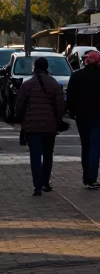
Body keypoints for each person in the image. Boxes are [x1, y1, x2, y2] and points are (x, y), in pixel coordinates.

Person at [66, 49, 100, 190]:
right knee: (96, 147)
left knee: (86, 146)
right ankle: (92, 177)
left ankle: (86, 176)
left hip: (82, 117)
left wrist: (73, 112)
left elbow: (70, 97)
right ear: (99, 61)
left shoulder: (76, 77)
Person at [16, 56, 66, 196]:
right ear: (46, 67)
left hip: (32, 126)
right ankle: (45, 182)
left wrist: (23, 119)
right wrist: (57, 120)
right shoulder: (54, 84)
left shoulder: (27, 84)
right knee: (48, 154)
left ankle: (37, 186)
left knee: (35, 155)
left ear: (34, 68)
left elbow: (19, 105)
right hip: (49, 127)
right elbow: (60, 106)